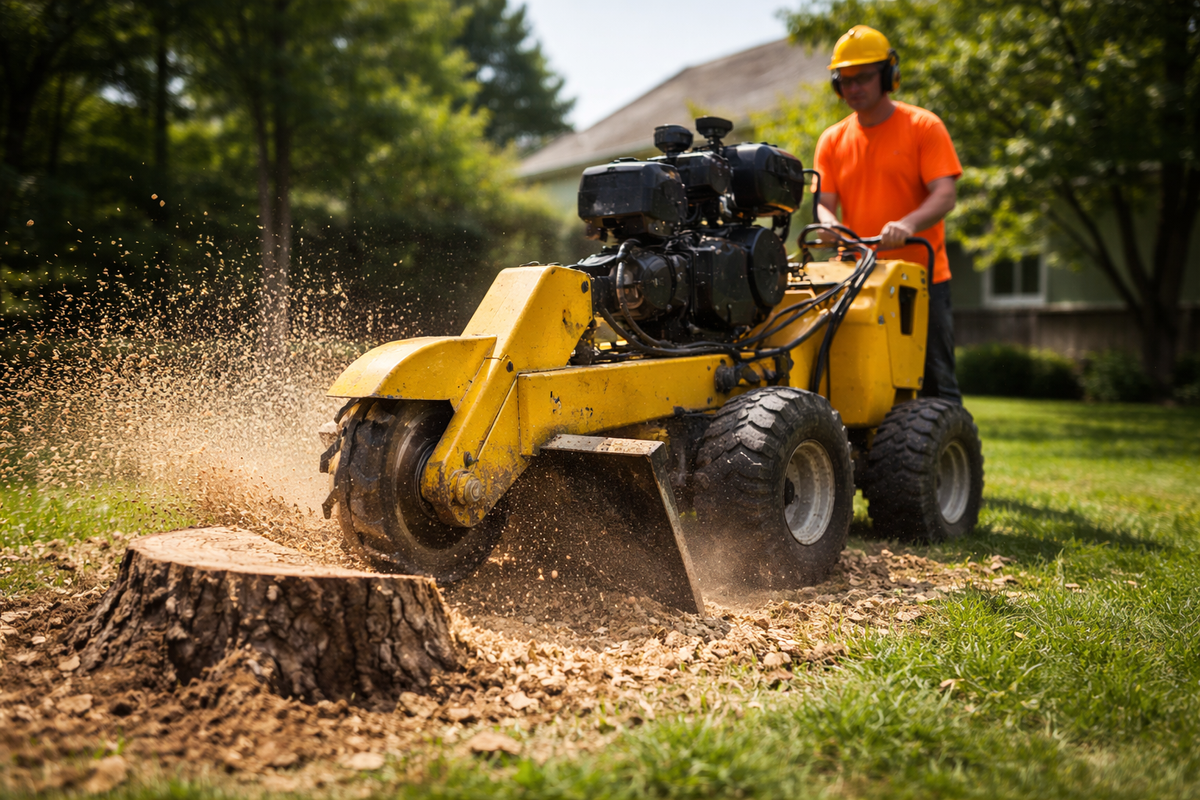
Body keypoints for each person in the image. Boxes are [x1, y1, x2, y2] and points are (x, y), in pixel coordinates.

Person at [812, 25, 963, 403]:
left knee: (935, 386)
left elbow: (945, 194)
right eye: (845, 80)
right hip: (856, 277)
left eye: (863, 77)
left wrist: (907, 225)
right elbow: (823, 204)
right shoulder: (831, 139)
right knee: (853, 384)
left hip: (920, 279)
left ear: (888, 75)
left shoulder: (923, 126)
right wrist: (830, 226)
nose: (853, 88)